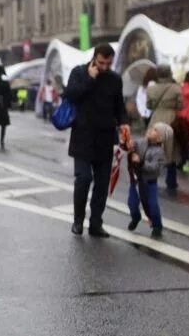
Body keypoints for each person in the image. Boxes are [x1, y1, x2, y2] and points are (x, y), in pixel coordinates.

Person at [65, 44, 129, 237]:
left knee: (102, 184)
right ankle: (78, 221)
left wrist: (124, 123)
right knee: (83, 179)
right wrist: (90, 79)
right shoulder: (79, 73)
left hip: (105, 137)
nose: (105, 67)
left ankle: (96, 223)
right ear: (94, 58)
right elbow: (71, 95)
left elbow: (119, 106)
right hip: (83, 137)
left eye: (109, 63)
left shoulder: (115, 79)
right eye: (101, 63)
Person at [127, 123, 171, 239]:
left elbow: (154, 168)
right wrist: (129, 145)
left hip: (149, 182)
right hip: (136, 180)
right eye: (151, 128)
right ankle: (135, 217)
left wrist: (140, 162)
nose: (150, 130)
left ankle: (157, 225)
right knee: (132, 203)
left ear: (160, 137)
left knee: (152, 204)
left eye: (154, 130)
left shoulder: (159, 153)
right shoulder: (141, 142)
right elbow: (133, 146)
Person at [146, 65, 183, 190]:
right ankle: (171, 181)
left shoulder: (151, 89)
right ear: (169, 73)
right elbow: (180, 105)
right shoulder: (176, 88)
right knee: (170, 150)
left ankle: (151, 178)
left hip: (155, 118)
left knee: (152, 148)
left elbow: (149, 106)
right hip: (170, 118)